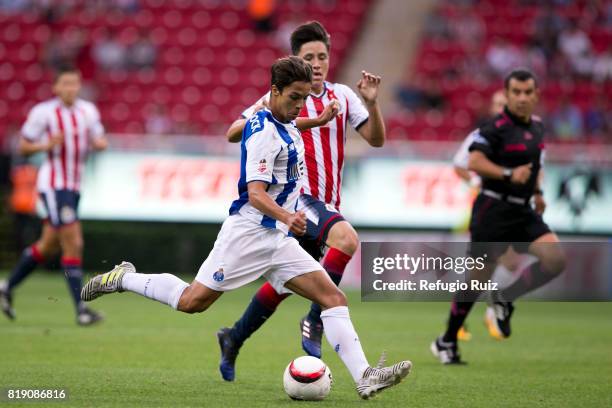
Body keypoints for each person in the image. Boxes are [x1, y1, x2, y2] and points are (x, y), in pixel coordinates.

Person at [80, 56, 411, 399]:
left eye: (303, 97)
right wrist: (287, 217)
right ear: (274, 92)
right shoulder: (263, 135)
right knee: (192, 301)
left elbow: (291, 126)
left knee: (333, 297)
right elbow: (254, 194)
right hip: (248, 234)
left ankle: (365, 375)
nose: (299, 105)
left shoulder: (283, 118)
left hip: (278, 240)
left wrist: (318, 119)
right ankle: (123, 277)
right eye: (294, 97)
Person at [219, 21, 386, 381]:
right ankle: (314, 322)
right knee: (347, 240)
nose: (316, 63)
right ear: (296, 59)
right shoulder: (279, 99)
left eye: (322, 56)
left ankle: (233, 337)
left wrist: (373, 106)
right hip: (299, 200)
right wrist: (270, 116)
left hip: (328, 204)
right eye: (308, 57)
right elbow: (234, 131)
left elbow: (375, 140)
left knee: (282, 285)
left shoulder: (342, 95)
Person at [431, 68, 566, 364]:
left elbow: (533, 167)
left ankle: (505, 297)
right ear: (506, 95)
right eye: (515, 92)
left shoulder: (538, 128)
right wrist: (506, 173)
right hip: (493, 209)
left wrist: (539, 192)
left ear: (536, 95)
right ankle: (447, 340)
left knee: (555, 259)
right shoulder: (493, 128)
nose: (521, 98)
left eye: (527, 92)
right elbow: (474, 161)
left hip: (523, 209)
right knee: (477, 280)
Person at [0, 65, 108, 325]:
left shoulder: (88, 111)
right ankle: (81, 309)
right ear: (56, 87)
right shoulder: (44, 112)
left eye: (74, 83)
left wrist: (99, 144)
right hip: (53, 184)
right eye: (65, 84)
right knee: (74, 242)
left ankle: (6, 287)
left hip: (74, 186)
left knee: (48, 245)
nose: (70, 88)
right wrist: (45, 145)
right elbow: (23, 145)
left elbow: (100, 139)